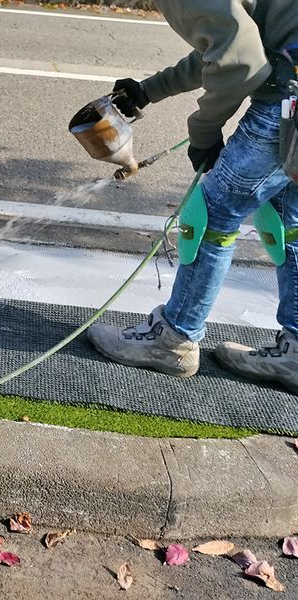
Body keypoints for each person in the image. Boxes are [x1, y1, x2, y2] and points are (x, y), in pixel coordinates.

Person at [86, 0, 298, 394]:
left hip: (289, 102)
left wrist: (203, 133)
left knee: (213, 214)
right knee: (290, 220)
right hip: (291, 84)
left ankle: (173, 340)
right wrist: (149, 90)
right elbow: (232, 41)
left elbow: (241, 63)